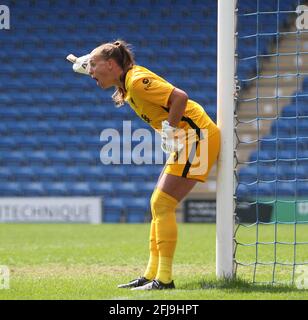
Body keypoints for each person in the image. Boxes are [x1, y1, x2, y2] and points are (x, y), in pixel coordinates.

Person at [68, 39, 220, 290]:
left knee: (162, 204)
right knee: (157, 205)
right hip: (188, 138)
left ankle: (165, 280)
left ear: (110, 64)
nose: (91, 71)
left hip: (197, 136)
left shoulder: (136, 82)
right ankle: (152, 275)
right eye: (89, 67)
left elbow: (180, 97)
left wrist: (170, 131)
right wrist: (84, 63)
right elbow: (96, 68)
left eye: (94, 66)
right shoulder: (126, 83)